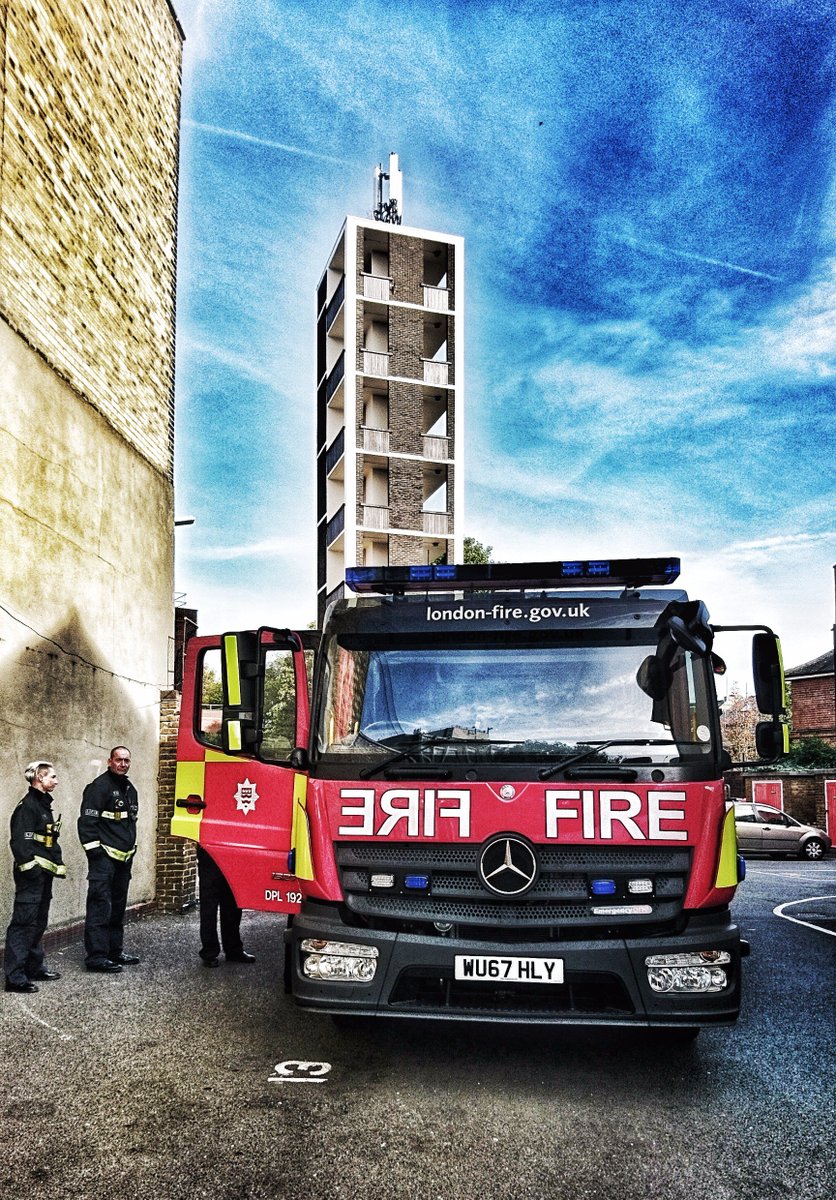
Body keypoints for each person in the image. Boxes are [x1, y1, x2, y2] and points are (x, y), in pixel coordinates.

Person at [5, 761, 66, 994]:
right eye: (52, 776)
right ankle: (15, 978)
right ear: (39, 778)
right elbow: (20, 843)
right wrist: (31, 871)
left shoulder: (42, 805)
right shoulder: (28, 806)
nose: (56, 780)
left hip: (42, 874)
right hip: (32, 876)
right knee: (23, 923)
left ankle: (33, 967)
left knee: (38, 922)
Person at [78, 746, 140, 973]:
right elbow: (86, 823)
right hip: (104, 859)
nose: (123, 764)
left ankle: (115, 952)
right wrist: (96, 854)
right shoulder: (99, 787)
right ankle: (96, 958)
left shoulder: (129, 788)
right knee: (100, 906)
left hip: (123, 859)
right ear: (109, 761)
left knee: (117, 907)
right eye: (118, 760)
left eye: (126, 760)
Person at [196, 844, 255, 967]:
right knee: (209, 906)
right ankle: (210, 952)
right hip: (211, 850)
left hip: (232, 851)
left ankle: (231, 949)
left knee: (232, 903)